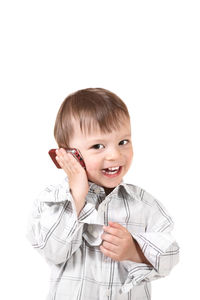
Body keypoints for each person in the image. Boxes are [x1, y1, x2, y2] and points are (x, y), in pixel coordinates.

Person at [26, 88, 179, 299]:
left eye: (123, 142)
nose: (115, 155)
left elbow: (171, 254)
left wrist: (135, 251)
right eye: (98, 146)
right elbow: (53, 250)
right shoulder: (52, 201)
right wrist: (77, 193)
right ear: (69, 155)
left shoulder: (144, 204)